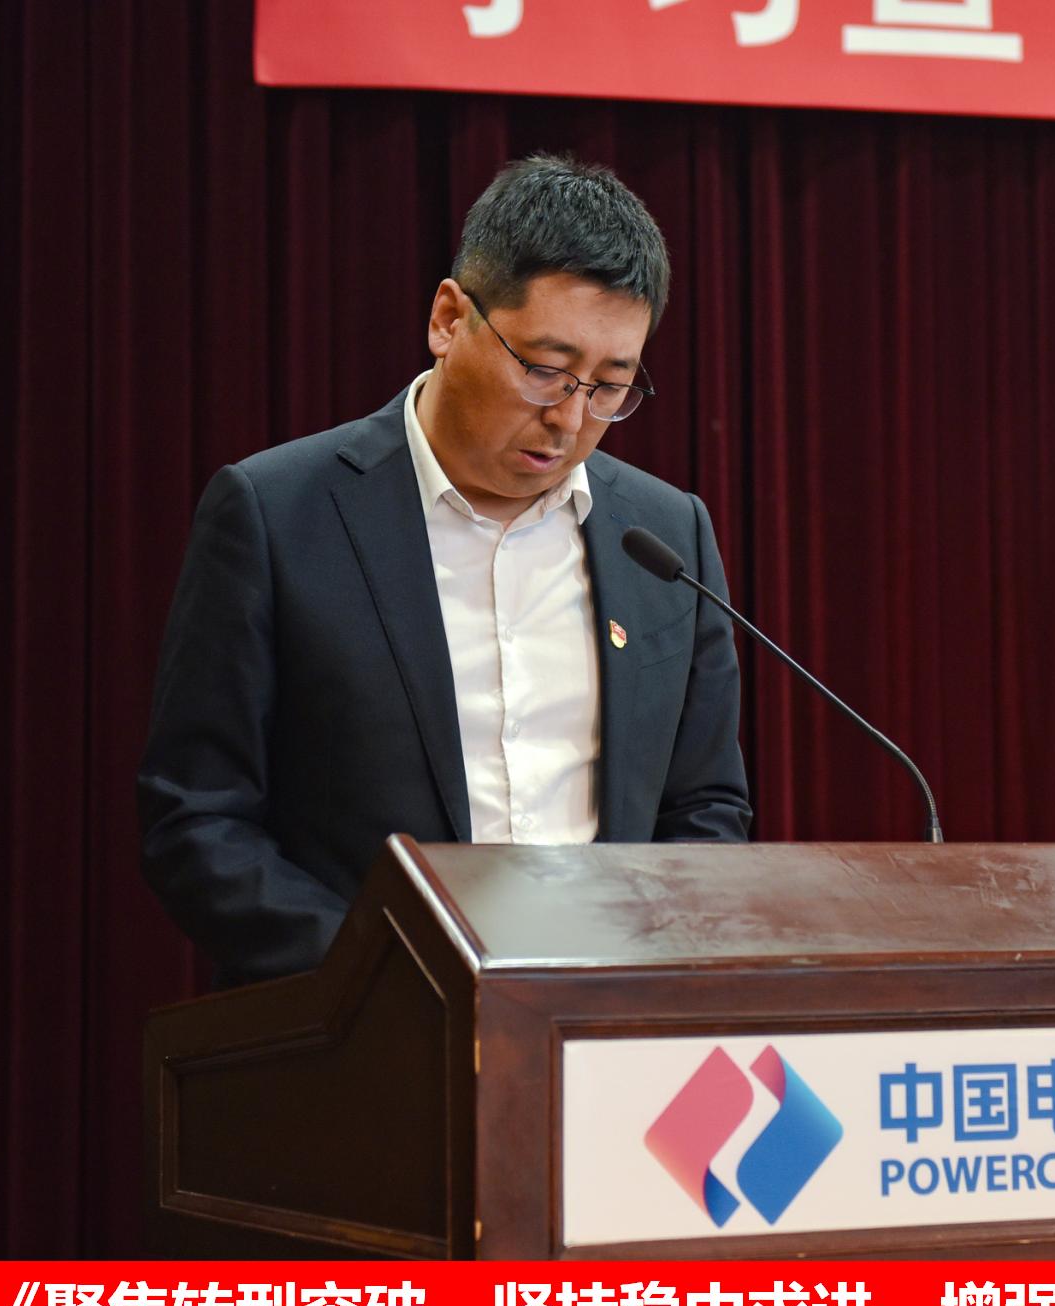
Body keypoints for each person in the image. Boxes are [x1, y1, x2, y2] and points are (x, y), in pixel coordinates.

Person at [137, 155, 751, 985]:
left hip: (599, 1026)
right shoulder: (277, 516)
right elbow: (198, 821)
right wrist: (381, 980)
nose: (571, 419)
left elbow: (705, 808)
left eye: (610, 386)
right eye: (544, 370)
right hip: (364, 1027)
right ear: (449, 318)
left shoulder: (665, 535)